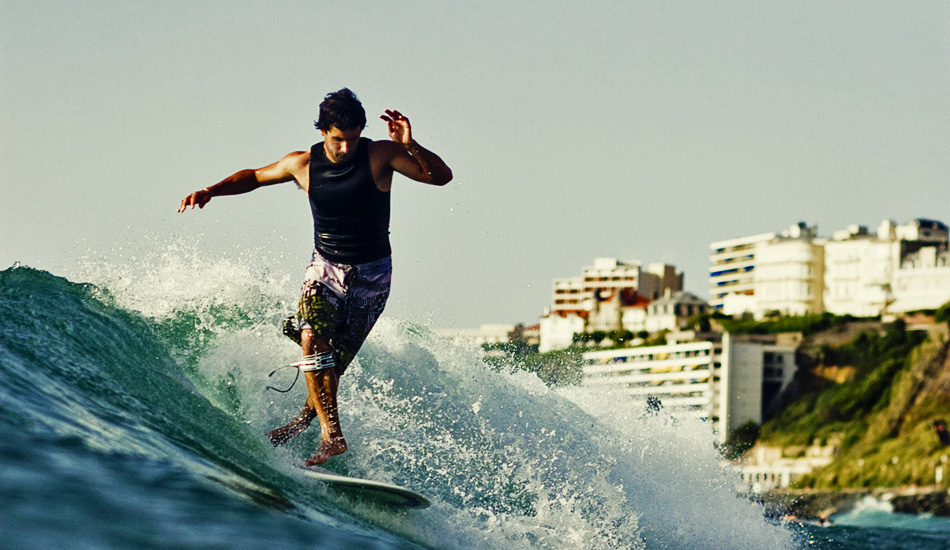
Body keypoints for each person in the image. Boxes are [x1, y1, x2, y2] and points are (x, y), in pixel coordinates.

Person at [178, 89, 452, 465]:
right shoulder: (303, 164)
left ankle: (299, 425)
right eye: (338, 139)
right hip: (324, 267)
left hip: (372, 276)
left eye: (353, 138)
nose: (346, 148)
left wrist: (410, 145)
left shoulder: (380, 155)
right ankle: (332, 437)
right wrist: (212, 191)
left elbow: (441, 178)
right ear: (323, 131)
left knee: (331, 365)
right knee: (310, 337)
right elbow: (254, 177)